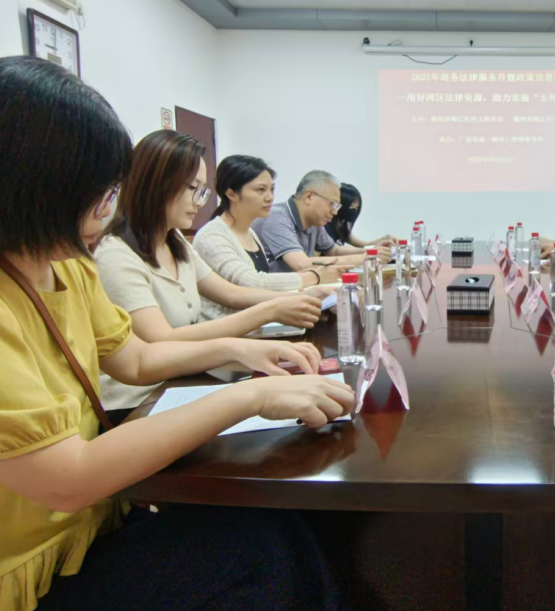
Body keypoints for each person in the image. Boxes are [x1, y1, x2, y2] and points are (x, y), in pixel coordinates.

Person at [0, 56, 354, 611]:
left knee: (272, 527)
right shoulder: (82, 263)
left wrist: (242, 352)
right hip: (36, 570)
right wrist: (252, 395)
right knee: (259, 548)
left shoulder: (68, 267)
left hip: (95, 522)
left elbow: (136, 357)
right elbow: (66, 479)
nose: (106, 208)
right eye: (99, 191)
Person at [95, 132, 328, 412]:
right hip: (138, 401)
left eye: (203, 191)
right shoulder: (115, 255)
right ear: (155, 184)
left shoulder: (175, 241)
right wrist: (270, 310)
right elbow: (162, 340)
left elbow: (230, 292)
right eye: (193, 189)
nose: (200, 201)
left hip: (183, 379)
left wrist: (299, 297)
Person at [194, 155, 347, 320]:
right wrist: (314, 277)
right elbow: (252, 282)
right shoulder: (212, 235)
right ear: (232, 194)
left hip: (257, 324)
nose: (270, 197)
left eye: (271, 189)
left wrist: (309, 293)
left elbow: (260, 289)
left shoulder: (250, 233)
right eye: (260, 190)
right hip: (226, 329)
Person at [253, 171, 391, 275]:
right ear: (309, 196)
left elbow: (334, 250)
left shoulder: (314, 222)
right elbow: (302, 264)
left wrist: (372, 251)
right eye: (332, 204)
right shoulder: (276, 218)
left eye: (337, 206)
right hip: (274, 296)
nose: (335, 212)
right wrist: (366, 258)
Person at [323, 183, 399, 249]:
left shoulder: (342, 228)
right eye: (352, 207)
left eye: (357, 207)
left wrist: (385, 238)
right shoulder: (324, 227)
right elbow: (335, 252)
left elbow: (365, 244)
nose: (354, 211)